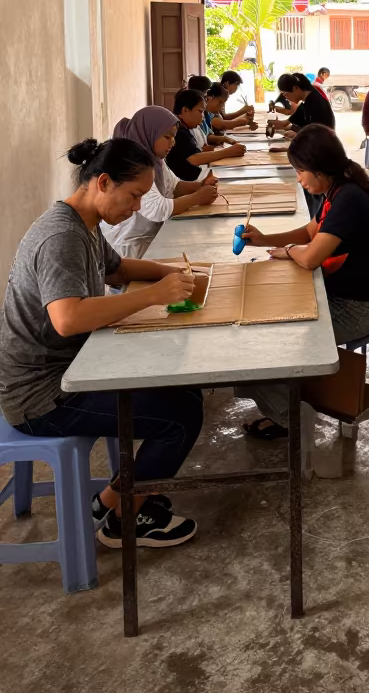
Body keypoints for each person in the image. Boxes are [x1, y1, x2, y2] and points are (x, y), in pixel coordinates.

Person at [0, 138, 203, 548]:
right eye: (134, 196)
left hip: (73, 370)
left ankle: (120, 498)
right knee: (180, 418)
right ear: (105, 182)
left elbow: (118, 268)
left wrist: (179, 273)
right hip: (43, 396)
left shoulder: (83, 224)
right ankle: (120, 517)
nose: (136, 208)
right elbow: (68, 318)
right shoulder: (61, 236)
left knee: (183, 389)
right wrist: (152, 295)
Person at [239, 125, 369, 439]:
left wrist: (288, 251)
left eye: (300, 171)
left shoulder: (349, 197)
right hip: (335, 295)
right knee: (257, 327)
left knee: (257, 346)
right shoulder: (336, 188)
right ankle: (290, 404)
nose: (298, 178)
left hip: (356, 309)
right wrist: (264, 240)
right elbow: (311, 232)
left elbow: (309, 257)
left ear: (319, 169)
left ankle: (290, 418)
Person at [102, 106, 220, 258]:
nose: (173, 142)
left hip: (149, 239)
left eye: (174, 137)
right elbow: (157, 209)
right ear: (149, 133)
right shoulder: (131, 165)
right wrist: (197, 197)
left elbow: (174, 186)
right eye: (167, 137)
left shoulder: (156, 160)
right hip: (128, 247)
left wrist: (201, 186)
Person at [166, 88, 246, 181]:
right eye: (200, 111)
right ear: (185, 110)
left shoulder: (185, 127)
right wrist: (228, 152)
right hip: (186, 181)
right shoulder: (178, 131)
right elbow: (194, 158)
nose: (203, 117)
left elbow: (197, 151)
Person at [269, 73, 335, 132]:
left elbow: (314, 132)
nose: (285, 98)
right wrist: (285, 123)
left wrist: (297, 134)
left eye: (284, 94)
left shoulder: (315, 102)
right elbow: (300, 111)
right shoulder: (310, 96)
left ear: (295, 88)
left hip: (323, 142)